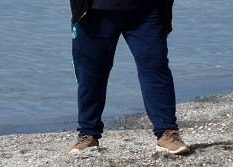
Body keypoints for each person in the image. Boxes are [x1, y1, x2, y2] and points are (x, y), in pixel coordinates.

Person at [69, 0, 190, 156]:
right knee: (90, 75)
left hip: (146, 11)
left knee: (155, 68)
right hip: (92, 11)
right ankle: (87, 134)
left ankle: (167, 132)